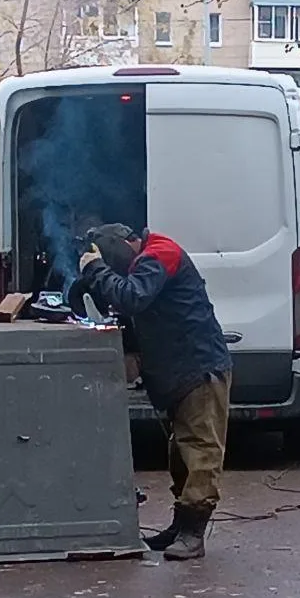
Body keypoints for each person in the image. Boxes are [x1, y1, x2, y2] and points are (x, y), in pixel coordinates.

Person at [71, 223, 232, 560]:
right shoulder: (146, 257)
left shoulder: (161, 253)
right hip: (179, 370)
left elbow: (133, 297)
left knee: (200, 452)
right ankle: (180, 526)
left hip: (198, 367)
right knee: (180, 455)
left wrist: (96, 269)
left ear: (127, 244)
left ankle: (193, 534)